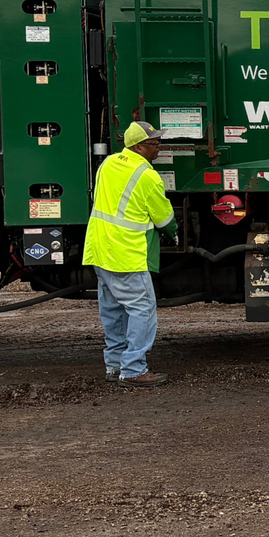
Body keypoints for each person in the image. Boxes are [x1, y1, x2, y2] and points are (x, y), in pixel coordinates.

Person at [82, 122, 174, 387]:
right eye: (154, 144)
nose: (159, 148)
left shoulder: (108, 163)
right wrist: (174, 232)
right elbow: (163, 216)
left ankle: (114, 366)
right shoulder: (147, 175)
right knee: (142, 309)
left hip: (100, 249)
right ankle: (133, 370)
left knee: (113, 310)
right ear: (138, 147)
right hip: (126, 253)